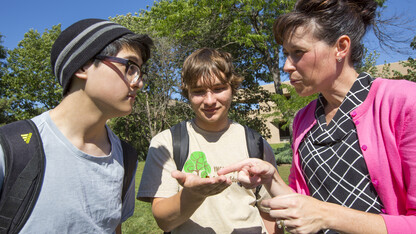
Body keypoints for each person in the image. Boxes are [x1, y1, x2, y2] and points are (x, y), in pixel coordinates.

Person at [218, 0, 416, 233]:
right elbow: (302, 203)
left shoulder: (403, 102)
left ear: (341, 47)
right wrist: (271, 178)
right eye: (286, 54)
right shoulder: (303, 118)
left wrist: (326, 215)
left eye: (298, 52)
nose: (286, 66)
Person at [0, 18, 153, 233]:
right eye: (130, 67)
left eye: (140, 71)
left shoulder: (125, 158)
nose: (138, 82)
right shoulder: (10, 147)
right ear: (84, 65)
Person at [137, 48, 279, 233]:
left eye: (219, 88)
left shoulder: (256, 142)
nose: (210, 100)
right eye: (198, 91)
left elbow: (268, 211)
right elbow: (164, 221)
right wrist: (193, 195)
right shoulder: (166, 143)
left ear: (232, 88)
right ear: (187, 93)